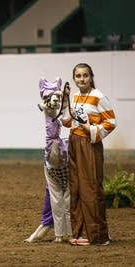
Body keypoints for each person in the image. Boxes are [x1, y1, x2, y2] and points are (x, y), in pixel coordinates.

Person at [61, 63, 117, 246]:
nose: (82, 79)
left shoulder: (98, 97)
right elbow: (67, 122)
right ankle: (78, 232)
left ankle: (96, 234)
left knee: (90, 188)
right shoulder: (75, 96)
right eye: (78, 76)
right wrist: (65, 101)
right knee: (76, 187)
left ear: (91, 77)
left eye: (85, 75)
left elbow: (111, 122)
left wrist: (91, 129)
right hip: (74, 143)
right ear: (74, 78)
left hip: (89, 145)